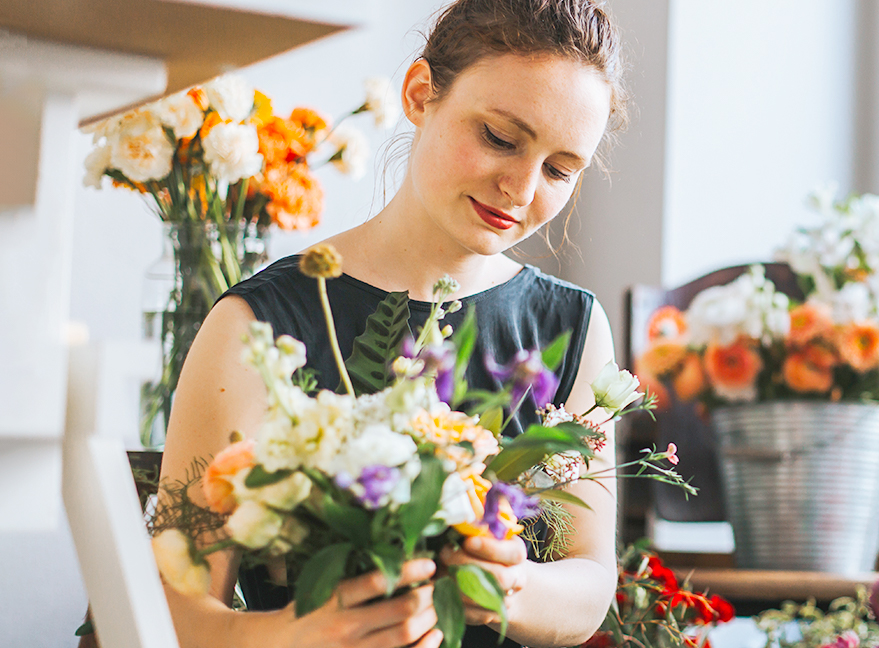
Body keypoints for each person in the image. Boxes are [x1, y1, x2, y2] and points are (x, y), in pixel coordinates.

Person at [156, 0, 628, 646]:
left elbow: (592, 580)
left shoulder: (575, 326)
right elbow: (171, 614)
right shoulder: (253, 324)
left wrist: (508, 587)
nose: (521, 188)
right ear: (419, 94)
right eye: (499, 137)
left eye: (558, 169)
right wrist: (301, 636)